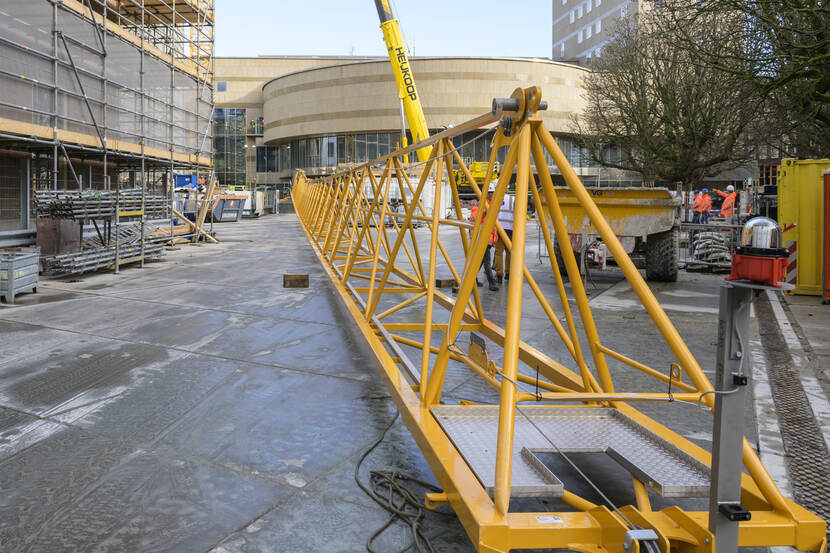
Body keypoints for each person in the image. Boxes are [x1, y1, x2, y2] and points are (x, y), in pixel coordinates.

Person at [469, 183, 499, 291]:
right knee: (486, 260)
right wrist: (474, 237)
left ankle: (472, 280)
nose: (491, 195)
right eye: (489, 193)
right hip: (482, 237)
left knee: (480, 261)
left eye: (492, 193)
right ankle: (492, 282)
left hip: (488, 238)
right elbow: (473, 222)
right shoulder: (480, 205)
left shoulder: (490, 204)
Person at [494, 187, 515, 283]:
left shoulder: (496, 198)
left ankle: (499, 275)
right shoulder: (512, 199)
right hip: (510, 228)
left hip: (499, 228)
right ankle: (508, 273)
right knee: (509, 252)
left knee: (498, 252)